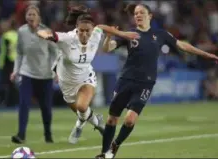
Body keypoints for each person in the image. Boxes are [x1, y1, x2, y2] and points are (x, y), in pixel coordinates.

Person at [96, 3, 218, 159]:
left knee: (129, 119)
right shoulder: (130, 34)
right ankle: (104, 153)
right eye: (135, 14)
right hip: (125, 80)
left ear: (150, 16)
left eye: (141, 12)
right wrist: (109, 36)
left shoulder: (160, 34)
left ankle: (114, 147)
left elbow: (182, 45)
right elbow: (107, 49)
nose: (138, 15)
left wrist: (205, 54)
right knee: (112, 118)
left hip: (145, 83)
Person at [37, 5, 140, 144]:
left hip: (86, 77)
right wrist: (46, 36)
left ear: (92, 30)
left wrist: (123, 34)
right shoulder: (67, 39)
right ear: (76, 29)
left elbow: (102, 27)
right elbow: (44, 32)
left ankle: (86, 125)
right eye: (81, 31)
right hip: (67, 82)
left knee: (82, 107)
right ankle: (94, 122)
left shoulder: (96, 34)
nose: (85, 34)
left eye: (88, 31)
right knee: (81, 113)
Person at [10, 5, 57, 144]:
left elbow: (55, 52)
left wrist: (55, 70)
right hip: (27, 73)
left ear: (39, 17)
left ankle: (48, 134)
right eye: (28, 14)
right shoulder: (21, 31)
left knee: (46, 109)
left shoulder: (46, 32)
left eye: (33, 14)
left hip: (45, 76)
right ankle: (21, 135)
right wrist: (15, 70)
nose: (30, 17)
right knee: (24, 103)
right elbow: (19, 53)